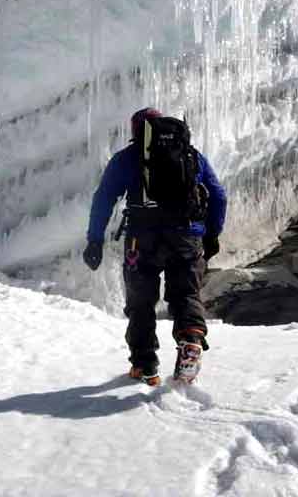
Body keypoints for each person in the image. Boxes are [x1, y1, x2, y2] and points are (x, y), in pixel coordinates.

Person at [83, 107, 227, 385]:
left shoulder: (126, 159)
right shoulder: (191, 155)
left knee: (141, 302)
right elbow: (218, 195)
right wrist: (211, 234)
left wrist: (95, 239)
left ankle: (144, 364)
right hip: (186, 236)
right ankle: (191, 339)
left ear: (137, 130)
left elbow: (103, 200)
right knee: (185, 294)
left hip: (141, 240)